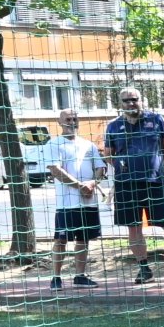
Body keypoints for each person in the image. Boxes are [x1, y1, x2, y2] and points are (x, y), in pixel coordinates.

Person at [105, 86, 164, 284]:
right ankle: (144, 269)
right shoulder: (113, 126)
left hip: (154, 182)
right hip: (126, 185)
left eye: (134, 99)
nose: (131, 103)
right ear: (120, 104)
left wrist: (152, 166)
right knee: (134, 228)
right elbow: (109, 154)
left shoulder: (156, 120)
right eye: (126, 100)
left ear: (141, 100)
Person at [44, 108, 106, 289]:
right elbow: (55, 171)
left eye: (74, 119)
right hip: (67, 204)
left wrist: (93, 184)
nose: (72, 122)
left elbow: (100, 168)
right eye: (68, 119)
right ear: (60, 122)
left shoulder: (89, 145)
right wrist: (80, 186)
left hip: (88, 201)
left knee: (83, 238)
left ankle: (80, 276)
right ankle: (56, 277)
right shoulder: (53, 144)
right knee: (61, 239)